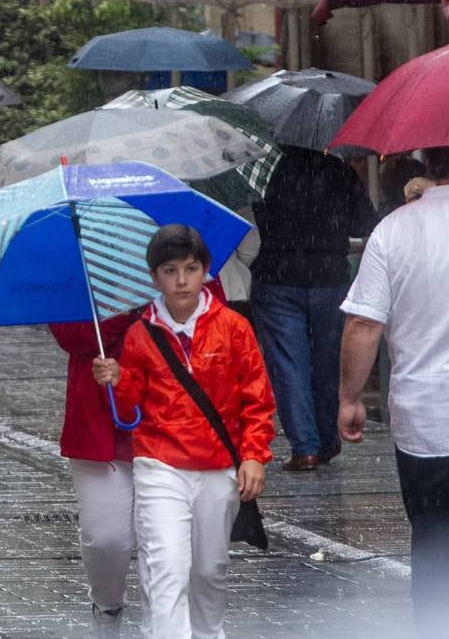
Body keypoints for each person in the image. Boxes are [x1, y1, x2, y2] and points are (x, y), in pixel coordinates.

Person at [93, 224, 275, 639]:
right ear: (154, 277)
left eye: (190, 269)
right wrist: (116, 379)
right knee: (167, 568)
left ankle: (210, 634)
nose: (181, 280)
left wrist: (252, 454)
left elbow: (257, 398)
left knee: (210, 570)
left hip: (218, 465)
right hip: (160, 464)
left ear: (206, 271)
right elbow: (128, 413)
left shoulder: (233, 328)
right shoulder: (140, 335)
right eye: (170, 270)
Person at [339, 146, 449, 638]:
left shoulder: (395, 230)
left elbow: (364, 323)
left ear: (428, 164)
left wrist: (349, 397)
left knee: (432, 541)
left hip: (425, 420)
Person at [249, 145, 376, 471]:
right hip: (329, 276)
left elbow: (255, 218)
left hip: (277, 275)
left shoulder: (266, 171)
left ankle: (304, 447)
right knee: (329, 359)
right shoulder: (339, 170)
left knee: (287, 364)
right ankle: (328, 438)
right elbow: (363, 224)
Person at [50, 310, 146, 636]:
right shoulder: (74, 270)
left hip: (168, 428)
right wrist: (122, 310)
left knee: (164, 544)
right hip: (98, 421)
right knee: (106, 538)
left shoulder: (183, 269)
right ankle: (107, 607)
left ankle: (163, 623)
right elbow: (72, 336)